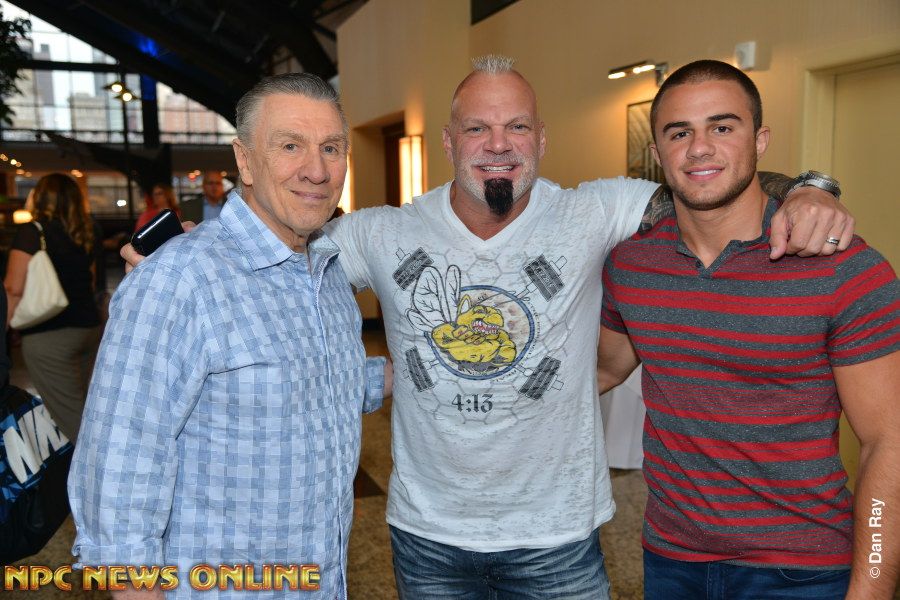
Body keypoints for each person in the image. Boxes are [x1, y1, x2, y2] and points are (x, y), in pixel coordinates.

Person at [122, 56, 853, 599]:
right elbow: (274, 259)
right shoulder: (381, 233)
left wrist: (808, 192)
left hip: (558, 536)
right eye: (478, 127)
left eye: (515, 127)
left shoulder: (596, 210)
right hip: (427, 537)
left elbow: (710, 183)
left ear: (541, 138)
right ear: (449, 141)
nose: (498, 143)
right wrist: (187, 256)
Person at [69, 73, 389, 599]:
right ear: (244, 161)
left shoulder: (326, 273)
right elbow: (120, 468)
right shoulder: (179, 279)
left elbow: (313, 384)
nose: (317, 170)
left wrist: (426, 369)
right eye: (290, 146)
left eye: (331, 148)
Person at [597, 59, 899, 599]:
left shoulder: (844, 268)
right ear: (657, 152)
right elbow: (602, 370)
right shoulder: (631, 266)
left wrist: (873, 587)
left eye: (722, 127)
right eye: (679, 132)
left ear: (760, 140)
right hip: (671, 561)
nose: (700, 148)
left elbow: (889, 442)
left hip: (802, 570)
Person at [4, 173, 104, 443]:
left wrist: (6, 330)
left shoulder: (32, 232)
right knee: (85, 405)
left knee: (70, 418)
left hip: (49, 336)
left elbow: (13, 288)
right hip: (88, 329)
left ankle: (94, 464)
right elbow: (92, 280)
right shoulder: (88, 231)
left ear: (39, 197)